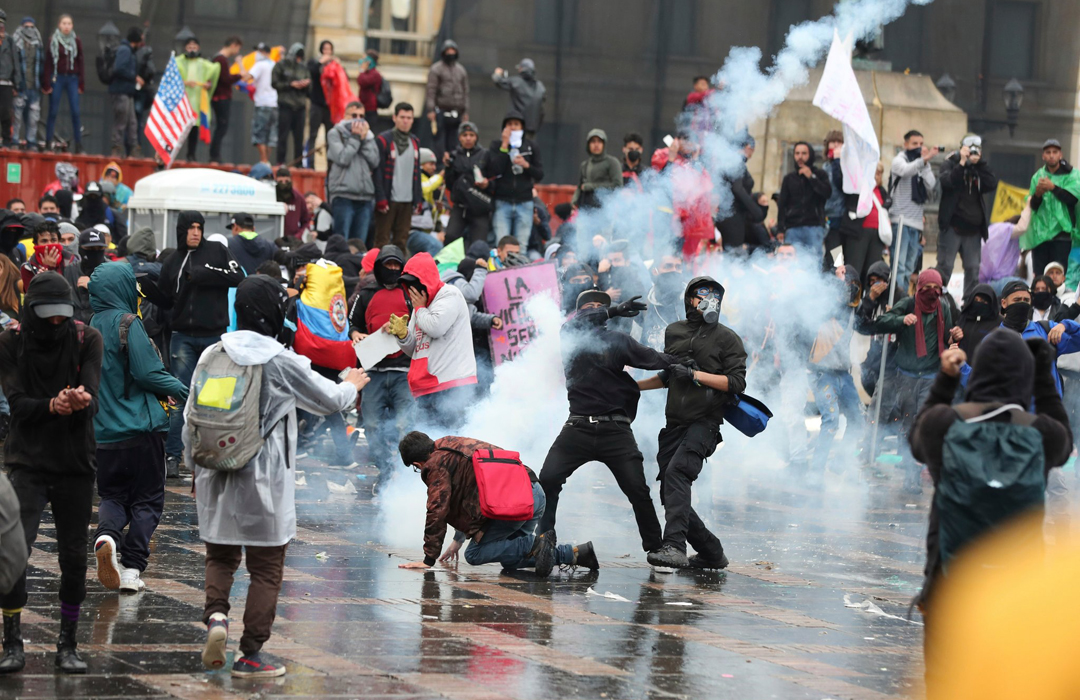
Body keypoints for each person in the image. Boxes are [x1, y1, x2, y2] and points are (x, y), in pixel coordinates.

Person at [193, 275, 369, 679]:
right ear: (274, 313)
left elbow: (191, 418)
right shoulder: (280, 360)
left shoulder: (211, 354)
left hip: (215, 473)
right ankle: (250, 655)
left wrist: (195, 466)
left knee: (220, 557)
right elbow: (327, 400)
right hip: (263, 481)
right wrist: (350, 383)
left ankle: (217, 619)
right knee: (266, 569)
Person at [909, 332, 1071, 624]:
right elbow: (1065, 442)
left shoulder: (945, 424)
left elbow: (916, 440)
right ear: (1024, 376)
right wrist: (1043, 378)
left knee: (944, 669)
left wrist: (947, 378)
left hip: (949, 584)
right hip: (1016, 591)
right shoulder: (1041, 433)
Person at [0, 272, 102, 674]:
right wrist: (51, 406)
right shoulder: (10, 342)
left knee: (74, 558)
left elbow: (92, 398)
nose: (56, 323)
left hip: (75, 463)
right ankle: (12, 641)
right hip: (26, 462)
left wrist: (80, 398)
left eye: (62, 316)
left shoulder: (87, 339)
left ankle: (68, 642)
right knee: (13, 553)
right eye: (48, 317)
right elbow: (16, 402)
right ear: (31, 312)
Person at [540, 288, 682, 556]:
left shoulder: (618, 340)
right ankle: (544, 541)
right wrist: (613, 308)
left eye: (600, 306)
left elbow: (654, 359)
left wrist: (685, 362)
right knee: (547, 479)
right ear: (579, 312)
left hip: (615, 429)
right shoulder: (569, 337)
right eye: (589, 306)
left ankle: (656, 549)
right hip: (577, 427)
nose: (594, 310)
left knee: (638, 490)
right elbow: (577, 323)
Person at [89, 262, 188, 594]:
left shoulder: (92, 324)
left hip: (104, 432)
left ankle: (106, 536)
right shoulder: (128, 322)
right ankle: (131, 568)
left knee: (113, 495)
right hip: (141, 431)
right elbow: (147, 372)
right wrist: (179, 389)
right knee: (147, 500)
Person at [639, 277, 747, 569]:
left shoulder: (728, 338)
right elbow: (668, 375)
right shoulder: (673, 331)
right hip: (674, 423)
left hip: (705, 422)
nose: (710, 299)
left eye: (716, 295)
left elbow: (737, 383)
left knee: (677, 474)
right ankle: (712, 551)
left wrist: (698, 376)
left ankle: (674, 546)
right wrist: (632, 387)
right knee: (668, 490)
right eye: (703, 294)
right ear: (690, 299)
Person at [396, 431, 597, 575]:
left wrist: (428, 560)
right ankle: (578, 554)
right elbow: (468, 498)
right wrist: (458, 539)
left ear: (416, 464)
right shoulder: (450, 443)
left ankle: (538, 543)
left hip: (516, 504)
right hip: (534, 492)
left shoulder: (435, 465)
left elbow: (438, 509)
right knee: (511, 560)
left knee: (475, 554)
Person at [159, 211, 244, 478]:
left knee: (215, 397)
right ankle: (172, 455)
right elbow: (164, 298)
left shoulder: (217, 251)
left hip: (213, 335)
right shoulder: (173, 260)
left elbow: (237, 277)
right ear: (181, 230)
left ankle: (214, 452)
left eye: (199, 227)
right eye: (191, 228)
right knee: (180, 397)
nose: (196, 232)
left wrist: (204, 274)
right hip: (182, 336)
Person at [858, 269, 956, 492]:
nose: (932, 293)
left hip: (931, 376)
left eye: (936, 289)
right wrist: (902, 319)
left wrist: (954, 336)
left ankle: (916, 472)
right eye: (927, 288)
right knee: (909, 424)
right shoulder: (908, 304)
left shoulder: (944, 307)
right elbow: (882, 322)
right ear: (919, 288)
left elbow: (947, 335)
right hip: (907, 376)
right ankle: (906, 472)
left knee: (925, 425)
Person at [349, 246, 411, 490]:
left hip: (404, 372)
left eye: (397, 265)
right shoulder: (366, 294)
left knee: (405, 426)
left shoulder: (410, 294)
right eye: (389, 265)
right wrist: (356, 334)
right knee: (372, 425)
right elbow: (352, 324)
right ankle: (385, 472)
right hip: (373, 372)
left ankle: (406, 477)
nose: (393, 270)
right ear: (379, 267)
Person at [394, 252, 476, 430]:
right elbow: (414, 349)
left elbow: (435, 328)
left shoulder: (449, 294)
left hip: (451, 383)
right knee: (430, 442)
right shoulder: (419, 306)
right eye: (407, 284)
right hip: (427, 386)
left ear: (427, 278)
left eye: (414, 282)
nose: (411, 289)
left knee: (450, 442)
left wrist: (420, 309)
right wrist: (402, 336)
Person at [805, 266, 864, 477]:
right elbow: (834, 301)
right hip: (822, 372)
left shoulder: (851, 307)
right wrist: (835, 278)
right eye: (844, 281)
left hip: (842, 373)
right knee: (831, 420)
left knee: (858, 420)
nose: (848, 288)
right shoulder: (824, 302)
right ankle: (816, 472)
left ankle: (839, 462)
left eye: (851, 283)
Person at [936, 135, 997, 299]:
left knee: (972, 269)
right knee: (945, 267)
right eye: (968, 149)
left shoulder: (979, 168)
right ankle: (936, 300)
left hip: (973, 230)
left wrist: (980, 163)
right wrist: (962, 163)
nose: (972, 153)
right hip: (952, 227)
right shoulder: (951, 162)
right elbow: (948, 182)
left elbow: (991, 183)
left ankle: (969, 304)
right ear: (961, 147)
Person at [484, 109, 543, 248]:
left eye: (516, 124)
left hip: (525, 202)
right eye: (509, 124)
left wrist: (527, 165)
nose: (513, 127)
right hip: (502, 202)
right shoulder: (496, 145)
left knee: (521, 247)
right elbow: (493, 171)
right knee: (502, 245)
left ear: (522, 127)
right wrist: (504, 146)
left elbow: (540, 174)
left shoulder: (531, 146)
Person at [1023, 139, 1080, 278]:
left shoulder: (1072, 175)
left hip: (1062, 235)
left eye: (1055, 152)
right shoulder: (1038, 176)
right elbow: (1033, 207)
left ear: (1060, 155)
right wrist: (1038, 194)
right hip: (1040, 236)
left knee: (1059, 274)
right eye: (1048, 152)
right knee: (1040, 277)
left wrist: (1053, 188)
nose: (1051, 155)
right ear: (1043, 156)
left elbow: (1073, 199)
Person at [890, 130, 939, 288]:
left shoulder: (922, 163)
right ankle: (895, 301)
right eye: (914, 144)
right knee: (899, 266)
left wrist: (925, 163)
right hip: (901, 220)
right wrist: (923, 159)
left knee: (910, 268)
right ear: (905, 145)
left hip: (917, 223)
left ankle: (903, 299)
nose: (918, 147)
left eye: (921, 144)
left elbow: (931, 184)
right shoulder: (899, 160)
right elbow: (905, 170)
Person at [326, 101, 378, 243]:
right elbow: (343, 158)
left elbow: (375, 160)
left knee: (359, 244)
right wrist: (355, 138)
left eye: (361, 116)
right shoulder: (335, 133)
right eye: (354, 115)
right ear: (345, 115)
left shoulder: (368, 136)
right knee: (341, 242)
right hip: (343, 196)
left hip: (365, 197)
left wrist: (365, 140)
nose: (358, 119)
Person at [374, 103, 422, 252]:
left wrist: (418, 199)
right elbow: (378, 171)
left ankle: (398, 272)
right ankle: (376, 272)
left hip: (407, 201)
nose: (406, 121)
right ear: (394, 118)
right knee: (381, 240)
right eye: (402, 117)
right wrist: (380, 197)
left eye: (409, 117)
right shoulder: (383, 140)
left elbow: (417, 173)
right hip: (388, 199)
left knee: (401, 241)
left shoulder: (415, 142)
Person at [777, 142, 831, 258]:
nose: (800, 157)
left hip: (814, 227)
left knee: (814, 263)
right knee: (791, 262)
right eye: (797, 153)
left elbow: (827, 193)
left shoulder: (820, 174)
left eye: (804, 153)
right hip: (792, 228)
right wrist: (780, 229)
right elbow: (782, 204)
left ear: (810, 155)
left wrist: (811, 177)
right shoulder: (789, 178)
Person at [443, 121, 491, 245]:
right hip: (460, 207)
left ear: (476, 137)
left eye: (471, 135)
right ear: (459, 138)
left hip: (479, 208)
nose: (468, 138)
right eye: (465, 135)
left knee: (479, 244)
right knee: (450, 238)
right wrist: (448, 168)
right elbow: (449, 185)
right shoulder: (454, 156)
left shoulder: (485, 155)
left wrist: (487, 184)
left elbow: (493, 181)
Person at [41, 14, 83, 153]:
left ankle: (78, 145)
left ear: (72, 26)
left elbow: (81, 62)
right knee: (53, 111)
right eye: (64, 23)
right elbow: (47, 63)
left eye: (69, 23)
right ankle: (48, 142)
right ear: (59, 25)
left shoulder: (76, 41)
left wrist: (81, 83)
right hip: (57, 77)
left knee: (75, 112)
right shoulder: (53, 40)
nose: (66, 26)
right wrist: (46, 83)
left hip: (72, 78)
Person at [175, 35, 220, 163]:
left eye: (194, 46)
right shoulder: (179, 62)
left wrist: (208, 84)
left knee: (194, 129)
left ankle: (191, 154)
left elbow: (213, 72)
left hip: (197, 101)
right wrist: (185, 83)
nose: (192, 49)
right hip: (183, 100)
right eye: (189, 47)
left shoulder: (203, 64)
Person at [717, 137, 766, 253]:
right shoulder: (736, 161)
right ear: (748, 147)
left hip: (730, 215)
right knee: (733, 255)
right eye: (752, 149)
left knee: (731, 254)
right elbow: (737, 189)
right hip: (733, 216)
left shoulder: (730, 162)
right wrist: (756, 211)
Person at [425, 39, 469, 160]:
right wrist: (431, 109)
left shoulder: (461, 70)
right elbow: (431, 90)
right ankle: (439, 163)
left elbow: (465, 92)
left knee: (455, 141)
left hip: (457, 112)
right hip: (441, 110)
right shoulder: (436, 69)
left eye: (453, 51)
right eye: (448, 51)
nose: (450, 53)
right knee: (439, 141)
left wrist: (465, 112)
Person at [631, 254, 685, 350]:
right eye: (668, 266)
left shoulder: (693, 302)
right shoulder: (643, 305)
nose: (674, 270)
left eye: (678, 267)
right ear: (655, 271)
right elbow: (634, 346)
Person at [209, 36, 248, 163]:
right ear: (233, 45)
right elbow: (225, 79)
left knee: (222, 126)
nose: (237, 51)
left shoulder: (218, 59)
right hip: (221, 97)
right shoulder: (221, 59)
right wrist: (238, 76)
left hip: (219, 96)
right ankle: (215, 155)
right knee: (222, 126)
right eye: (237, 48)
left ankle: (215, 154)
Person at [271, 43, 309, 166]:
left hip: (300, 106)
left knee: (299, 137)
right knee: (283, 135)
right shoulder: (281, 66)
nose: (299, 59)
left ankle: (298, 163)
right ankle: (280, 161)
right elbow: (275, 83)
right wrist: (290, 84)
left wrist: (305, 85)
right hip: (285, 105)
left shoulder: (303, 68)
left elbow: (310, 90)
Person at [108, 28, 144, 158]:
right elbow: (119, 69)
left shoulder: (129, 51)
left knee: (132, 122)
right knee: (121, 120)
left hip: (127, 92)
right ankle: (117, 148)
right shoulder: (125, 50)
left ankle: (133, 149)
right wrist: (134, 77)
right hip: (120, 91)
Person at [62, 226, 109, 324]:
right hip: (76, 328)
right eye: (90, 248)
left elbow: (119, 301)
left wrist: (93, 285)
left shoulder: (113, 270)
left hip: (103, 326)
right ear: (80, 249)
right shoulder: (70, 270)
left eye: (100, 248)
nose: (95, 252)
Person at [491, 58, 545, 139]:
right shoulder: (540, 87)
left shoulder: (516, 82)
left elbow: (498, 81)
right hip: (531, 131)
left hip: (515, 129)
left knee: (509, 149)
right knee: (527, 150)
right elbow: (542, 111)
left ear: (521, 69)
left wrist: (497, 73)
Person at [11, 17, 43, 152]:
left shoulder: (38, 43)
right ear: (22, 26)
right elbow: (13, 64)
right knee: (17, 117)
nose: (29, 29)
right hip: (21, 86)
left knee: (33, 118)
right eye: (26, 26)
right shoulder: (15, 42)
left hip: (34, 87)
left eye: (31, 26)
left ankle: (31, 142)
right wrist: (15, 84)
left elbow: (42, 64)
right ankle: (14, 141)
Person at [572, 129, 623, 210]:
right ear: (588, 145)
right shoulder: (585, 165)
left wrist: (592, 186)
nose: (596, 145)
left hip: (605, 207)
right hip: (586, 208)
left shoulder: (612, 162)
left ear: (604, 144)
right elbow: (580, 186)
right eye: (593, 141)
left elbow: (617, 186)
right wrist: (574, 202)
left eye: (599, 141)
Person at [304, 40, 336, 168]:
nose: (327, 52)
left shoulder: (335, 65)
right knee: (313, 135)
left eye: (329, 49)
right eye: (325, 49)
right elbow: (311, 71)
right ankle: (310, 164)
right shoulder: (315, 62)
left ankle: (331, 166)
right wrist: (321, 62)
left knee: (331, 137)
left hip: (329, 107)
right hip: (317, 103)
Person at [248, 43, 277, 166]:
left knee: (260, 133)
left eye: (259, 51)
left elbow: (247, 77)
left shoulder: (259, 65)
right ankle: (266, 161)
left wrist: (239, 64)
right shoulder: (276, 64)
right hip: (275, 103)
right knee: (271, 135)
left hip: (262, 103)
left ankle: (264, 160)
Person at [956, 284, 999, 361]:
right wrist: (954, 337)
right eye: (976, 300)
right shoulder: (965, 317)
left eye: (983, 301)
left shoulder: (999, 322)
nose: (979, 303)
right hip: (962, 367)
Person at [20, 219, 63, 290]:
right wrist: (48, 269)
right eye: (44, 241)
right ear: (36, 244)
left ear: (59, 241)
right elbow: (33, 296)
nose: (49, 244)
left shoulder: (72, 262)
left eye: (53, 240)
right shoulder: (28, 268)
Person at [275, 167, 310, 240]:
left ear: (291, 180)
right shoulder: (272, 197)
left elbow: (306, 222)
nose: (284, 184)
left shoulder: (299, 198)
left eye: (286, 181)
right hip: (274, 239)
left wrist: (297, 237)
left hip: (294, 241)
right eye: (281, 182)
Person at [0, 13, 17, 147]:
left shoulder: (10, 41)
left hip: (6, 82)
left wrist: (16, 84)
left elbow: (15, 62)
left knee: (6, 112)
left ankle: (6, 139)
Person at [355, 49, 383, 128]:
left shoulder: (374, 74)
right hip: (363, 107)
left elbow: (362, 81)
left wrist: (362, 70)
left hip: (370, 109)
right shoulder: (367, 73)